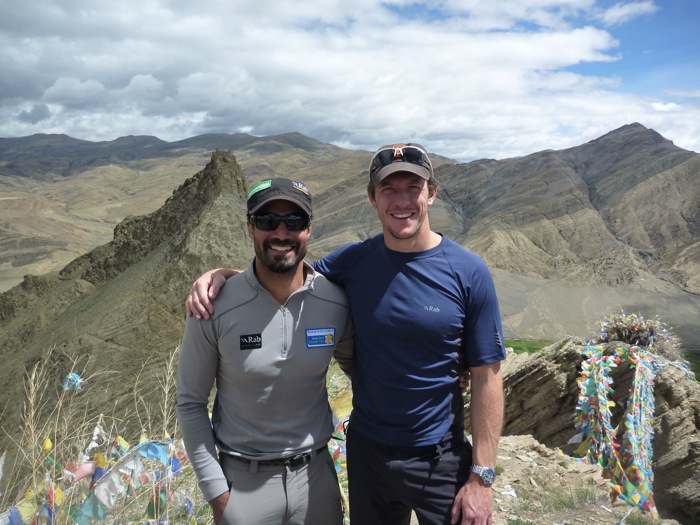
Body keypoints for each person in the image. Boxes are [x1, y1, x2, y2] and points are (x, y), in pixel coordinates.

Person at [187, 143, 506, 525]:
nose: (401, 201)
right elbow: (285, 272)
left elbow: (488, 378)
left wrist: (482, 477)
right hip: (368, 455)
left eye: (413, 188)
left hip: (440, 457)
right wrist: (223, 277)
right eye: (389, 189)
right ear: (372, 197)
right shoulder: (353, 263)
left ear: (432, 193)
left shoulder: (469, 272)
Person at [176, 177, 353, 525]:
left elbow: (365, 370)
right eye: (267, 221)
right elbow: (190, 402)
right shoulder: (212, 306)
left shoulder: (334, 301)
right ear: (250, 228)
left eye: (294, 221)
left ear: (309, 229)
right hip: (242, 485)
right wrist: (217, 493)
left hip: (317, 480)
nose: (281, 233)